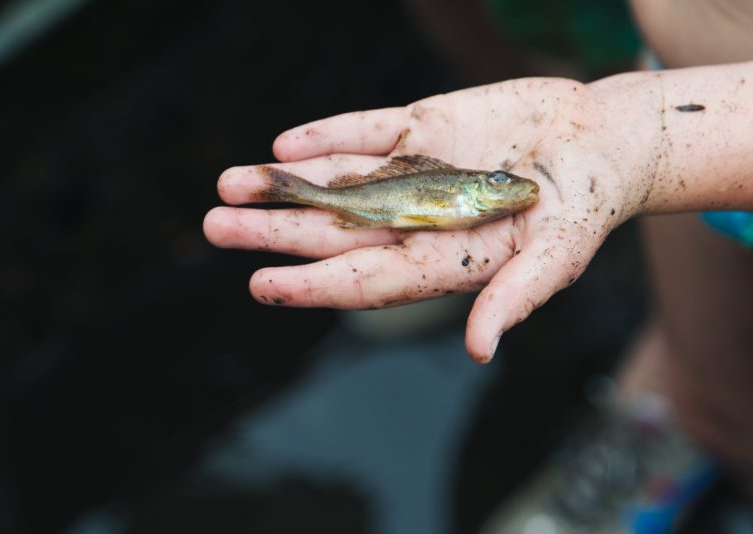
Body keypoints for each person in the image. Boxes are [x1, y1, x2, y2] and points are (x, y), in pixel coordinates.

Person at [204, 0, 753, 515]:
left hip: (701, 124)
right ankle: (679, 398)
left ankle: (696, 422)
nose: (506, 184)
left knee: (722, 389)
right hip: (669, 68)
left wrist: (649, 135)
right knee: (702, 348)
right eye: (496, 180)